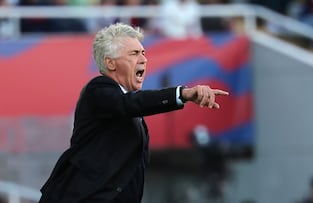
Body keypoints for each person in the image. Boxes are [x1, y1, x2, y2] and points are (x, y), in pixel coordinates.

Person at [38, 22, 229, 203]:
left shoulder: (128, 105)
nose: (144, 59)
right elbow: (130, 103)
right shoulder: (98, 90)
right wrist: (182, 93)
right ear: (110, 63)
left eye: (144, 53)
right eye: (134, 53)